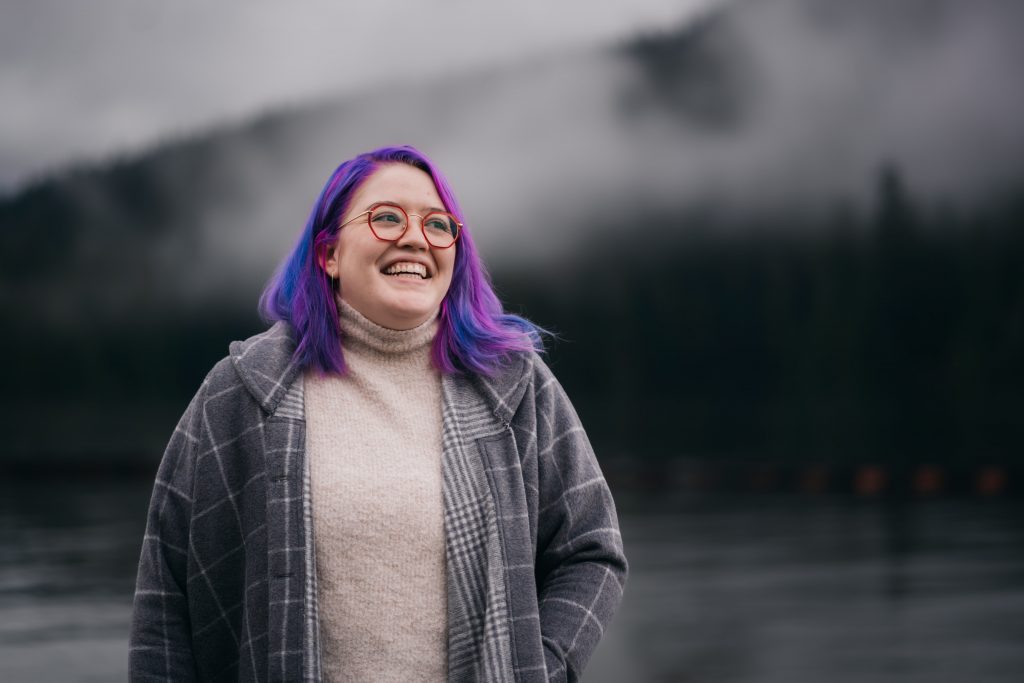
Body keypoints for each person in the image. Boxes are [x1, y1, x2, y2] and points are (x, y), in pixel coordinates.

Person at [129, 145, 627, 682]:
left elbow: (591, 552)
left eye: (438, 224)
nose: (414, 237)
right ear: (329, 254)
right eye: (386, 217)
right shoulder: (243, 391)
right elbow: (166, 596)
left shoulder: (513, 386)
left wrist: (534, 669)